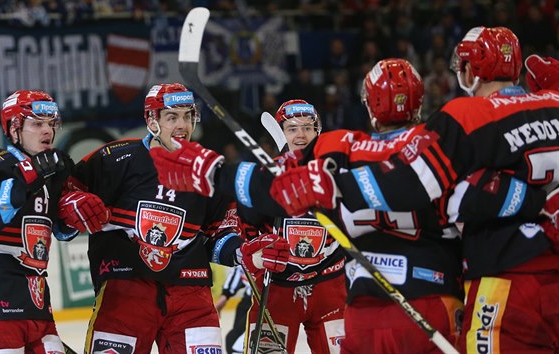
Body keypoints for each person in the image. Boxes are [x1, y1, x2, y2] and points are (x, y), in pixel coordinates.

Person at [149, 57, 549, 353]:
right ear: (419, 104)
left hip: (361, 311)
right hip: (434, 305)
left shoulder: (341, 147)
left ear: (370, 106)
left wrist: (221, 172)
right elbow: (500, 199)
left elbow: (272, 194)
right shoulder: (443, 146)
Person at [268, 26, 559, 352]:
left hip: (488, 278)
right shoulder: (552, 101)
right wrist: (535, 196)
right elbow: (471, 199)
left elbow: (410, 183)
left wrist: (324, 182)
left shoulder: (340, 146)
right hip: (446, 296)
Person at [68, 83, 289, 354]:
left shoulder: (208, 167)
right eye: (172, 117)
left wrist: (243, 254)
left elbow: (218, 236)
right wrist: (68, 206)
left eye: (188, 116)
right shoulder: (114, 159)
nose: (183, 125)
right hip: (126, 290)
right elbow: (62, 202)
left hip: (191, 295)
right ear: (152, 120)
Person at [0, 90, 108, 353]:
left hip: (38, 311)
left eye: (51, 123)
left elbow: (59, 231)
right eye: (36, 123)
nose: (48, 131)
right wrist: (31, 173)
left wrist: (74, 211)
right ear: (13, 128)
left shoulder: (53, 174)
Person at [238, 100, 346, 354]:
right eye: (293, 128)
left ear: (318, 132)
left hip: (329, 287)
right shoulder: (265, 174)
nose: (301, 134)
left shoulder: (337, 172)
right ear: (281, 133)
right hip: (278, 287)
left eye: (308, 127)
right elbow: (246, 225)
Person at [214, 265, 252, 354]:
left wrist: (225, 295)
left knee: (235, 343)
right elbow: (241, 268)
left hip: (262, 303)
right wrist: (225, 296)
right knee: (233, 341)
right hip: (249, 303)